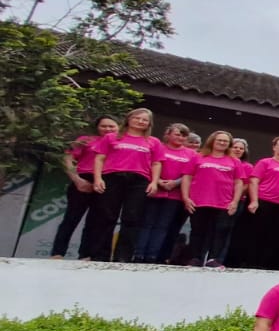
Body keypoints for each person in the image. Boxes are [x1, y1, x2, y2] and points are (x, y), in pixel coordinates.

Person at [85, 107, 163, 263]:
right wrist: (98, 178)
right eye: (137, 118)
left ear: (149, 124)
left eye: (144, 120)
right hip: (112, 178)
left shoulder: (153, 142)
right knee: (106, 216)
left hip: (139, 181)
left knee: (132, 218)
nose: (140, 121)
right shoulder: (112, 137)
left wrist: (154, 182)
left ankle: (123, 256)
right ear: (129, 119)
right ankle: (100, 255)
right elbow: (99, 158)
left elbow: (156, 163)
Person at [51, 115, 119, 259]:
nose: (108, 129)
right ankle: (58, 252)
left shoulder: (121, 144)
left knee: (95, 221)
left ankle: (86, 255)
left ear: (119, 127)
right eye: (103, 126)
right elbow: (67, 159)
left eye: (111, 126)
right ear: (97, 127)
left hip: (106, 182)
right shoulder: (86, 140)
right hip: (83, 179)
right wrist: (77, 180)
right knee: (71, 218)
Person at [183, 130, 248, 268]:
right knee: (197, 231)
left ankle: (213, 259)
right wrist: (186, 198)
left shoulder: (234, 161)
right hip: (199, 201)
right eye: (219, 140)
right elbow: (187, 178)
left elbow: (238, 183)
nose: (222, 143)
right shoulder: (198, 157)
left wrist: (235, 202)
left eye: (225, 141)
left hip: (224, 203)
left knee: (220, 232)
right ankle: (195, 258)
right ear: (212, 141)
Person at [135, 122, 194, 263]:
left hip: (174, 195)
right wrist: (158, 181)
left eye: (184, 136)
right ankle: (138, 254)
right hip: (154, 190)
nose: (180, 138)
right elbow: (148, 165)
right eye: (177, 134)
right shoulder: (158, 147)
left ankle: (152, 256)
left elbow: (191, 174)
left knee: (163, 226)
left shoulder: (191, 154)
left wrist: (175, 183)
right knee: (147, 223)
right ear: (168, 134)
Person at [246, 136, 279, 271]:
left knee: (278, 236)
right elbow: (254, 181)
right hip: (264, 202)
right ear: (274, 147)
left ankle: (273, 265)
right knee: (259, 234)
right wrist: (254, 200)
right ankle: (253, 263)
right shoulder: (265, 162)